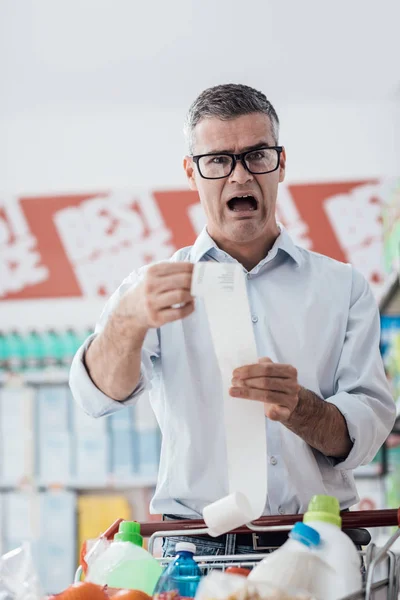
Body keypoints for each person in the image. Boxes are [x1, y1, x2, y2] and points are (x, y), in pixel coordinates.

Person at [69, 83, 395, 558]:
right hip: (196, 554)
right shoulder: (152, 288)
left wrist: (304, 409)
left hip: (320, 547)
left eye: (256, 155)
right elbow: (95, 396)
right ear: (192, 172)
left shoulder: (342, 288)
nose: (239, 177)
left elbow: (366, 435)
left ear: (281, 163)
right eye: (218, 160)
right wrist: (128, 322)